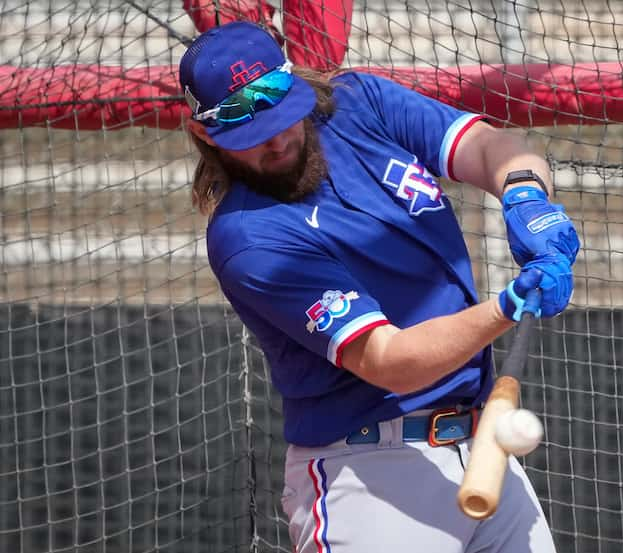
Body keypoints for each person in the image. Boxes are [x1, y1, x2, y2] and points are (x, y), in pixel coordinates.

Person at [179, 21, 580, 553]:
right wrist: (507, 306)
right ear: (208, 134)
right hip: (370, 478)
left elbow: (488, 147)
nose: (276, 141)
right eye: (249, 134)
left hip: (484, 447)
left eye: (281, 117)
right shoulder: (248, 238)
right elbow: (389, 359)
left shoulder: (358, 102)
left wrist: (525, 195)